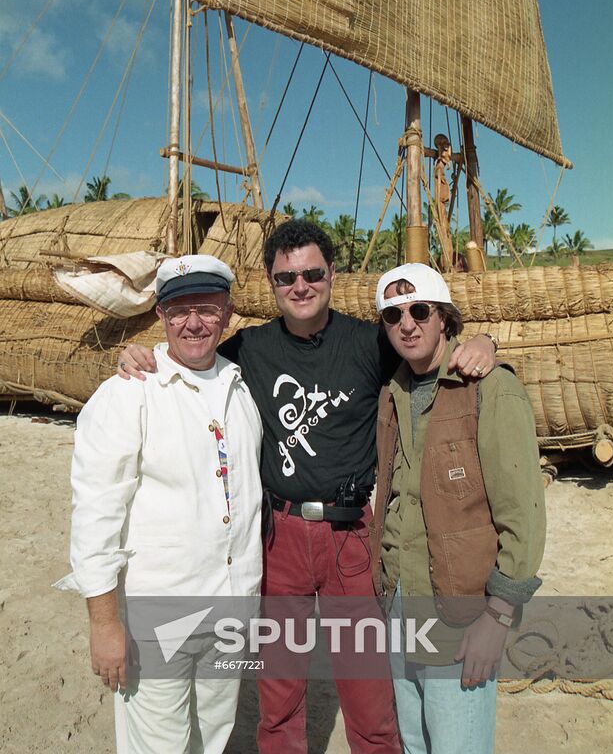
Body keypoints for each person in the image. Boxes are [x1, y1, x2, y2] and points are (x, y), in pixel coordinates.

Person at [117, 221, 497, 753]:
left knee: (368, 693)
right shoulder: (249, 348)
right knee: (279, 695)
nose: (300, 285)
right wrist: (140, 357)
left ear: (331, 275)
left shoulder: (369, 342)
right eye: (286, 277)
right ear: (272, 284)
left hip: (351, 537)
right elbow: (190, 354)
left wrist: (483, 340)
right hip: (280, 538)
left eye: (312, 273)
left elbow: (430, 351)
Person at [55, 255, 264, 754]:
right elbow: (96, 516)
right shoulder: (130, 393)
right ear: (161, 316)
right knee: (158, 744)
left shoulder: (241, 389)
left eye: (208, 309)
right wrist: (105, 624)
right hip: (160, 614)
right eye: (179, 310)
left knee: (214, 735)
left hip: (233, 607)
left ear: (228, 313)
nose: (194, 323)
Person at [369, 263, 546, 754]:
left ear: (444, 318)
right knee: (414, 740)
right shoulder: (393, 394)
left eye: (419, 310)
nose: (407, 323)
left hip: (460, 611)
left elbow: (523, 515)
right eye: (393, 315)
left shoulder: (490, 388)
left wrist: (498, 616)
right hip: (401, 603)